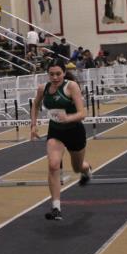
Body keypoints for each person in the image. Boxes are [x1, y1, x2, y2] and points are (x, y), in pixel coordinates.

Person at [30, 60, 92, 221]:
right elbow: (35, 105)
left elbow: (82, 113)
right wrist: (33, 125)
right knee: (53, 165)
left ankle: (86, 169)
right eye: (51, 74)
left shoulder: (71, 86)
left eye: (58, 74)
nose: (55, 77)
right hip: (55, 132)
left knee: (77, 167)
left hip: (75, 131)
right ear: (48, 74)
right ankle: (56, 207)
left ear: (64, 73)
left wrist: (67, 118)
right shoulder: (43, 89)